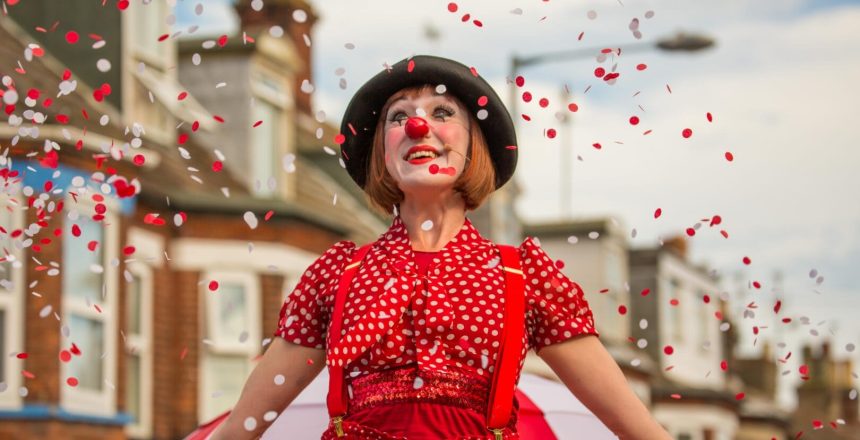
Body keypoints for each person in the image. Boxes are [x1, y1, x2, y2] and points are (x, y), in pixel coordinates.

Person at [211, 55, 671, 439]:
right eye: (399, 116)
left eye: (443, 113)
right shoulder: (338, 274)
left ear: (475, 145)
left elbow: (637, 427)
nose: (417, 126)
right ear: (383, 153)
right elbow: (241, 427)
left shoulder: (524, 276)